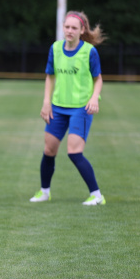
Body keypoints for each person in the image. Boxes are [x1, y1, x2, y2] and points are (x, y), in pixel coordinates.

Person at [29, 11, 106, 206]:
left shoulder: (89, 52)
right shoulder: (55, 48)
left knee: (74, 152)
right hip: (58, 107)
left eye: (74, 28)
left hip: (81, 108)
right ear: (63, 28)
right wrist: (46, 101)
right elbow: (50, 76)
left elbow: (98, 79)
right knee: (49, 150)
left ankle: (97, 195)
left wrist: (94, 97)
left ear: (82, 30)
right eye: (67, 27)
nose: (70, 30)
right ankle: (44, 192)